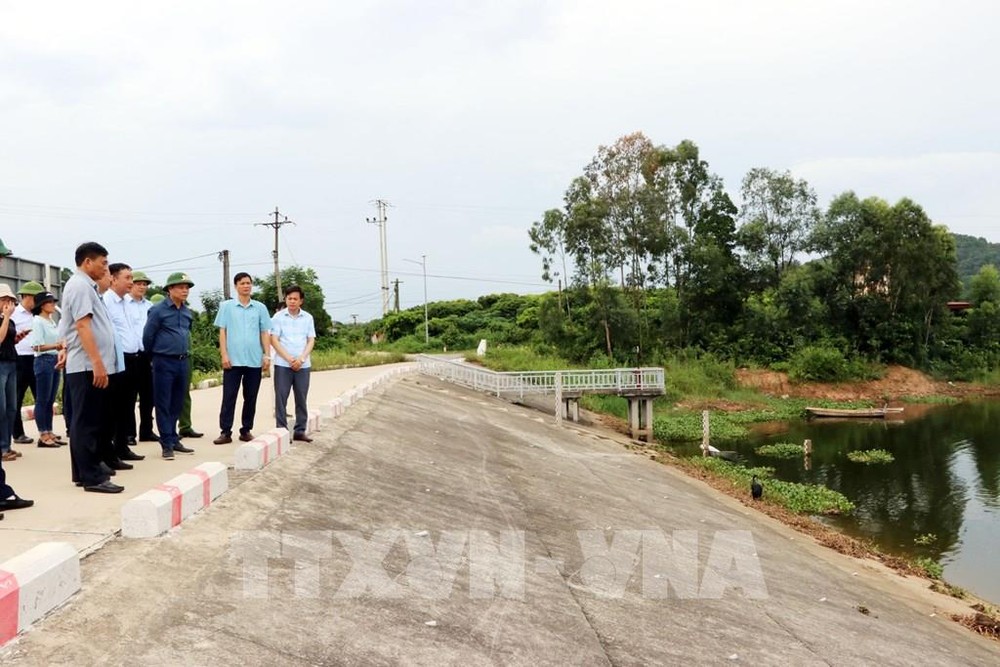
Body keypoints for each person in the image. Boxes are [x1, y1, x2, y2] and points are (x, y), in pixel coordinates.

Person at [61, 242, 124, 493]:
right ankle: (92, 477)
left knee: (87, 421)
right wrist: (97, 363)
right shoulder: (79, 286)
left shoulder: (87, 287)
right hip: (87, 365)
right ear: (88, 262)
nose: (105, 267)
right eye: (103, 263)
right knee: (86, 423)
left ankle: (84, 471)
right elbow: (83, 326)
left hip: (89, 364)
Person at [143, 273, 196, 460]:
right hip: (164, 361)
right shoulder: (158, 310)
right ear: (170, 289)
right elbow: (148, 336)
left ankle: (174, 438)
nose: (185, 290)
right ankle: (166, 443)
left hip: (183, 361)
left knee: (177, 401)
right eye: (180, 287)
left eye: (187, 287)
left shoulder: (187, 311)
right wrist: (152, 357)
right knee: (163, 402)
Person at [213, 272, 270, 444]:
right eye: (242, 283)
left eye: (248, 283)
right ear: (236, 286)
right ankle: (225, 431)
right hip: (233, 360)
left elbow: (264, 332)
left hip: (254, 360)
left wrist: (267, 355)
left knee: (251, 397)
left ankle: (246, 430)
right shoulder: (226, 307)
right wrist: (224, 354)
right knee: (229, 396)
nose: (246, 286)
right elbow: (222, 331)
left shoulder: (260, 308)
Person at [102, 262, 144, 463]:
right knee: (113, 408)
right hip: (117, 360)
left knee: (127, 406)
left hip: (134, 359)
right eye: (127, 278)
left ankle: (122, 447)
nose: (131, 282)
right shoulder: (106, 301)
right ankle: (110, 452)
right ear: (113, 278)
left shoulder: (128, 301)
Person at [0, 282, 34, 512]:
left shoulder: (9, 319)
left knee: (11, 408)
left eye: (10, 300)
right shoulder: (5, 318)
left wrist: (18, 336)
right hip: (0, 365)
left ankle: (6, 445)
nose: (8, 303)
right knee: (1, 408)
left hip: (12, 362)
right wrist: (5, 318)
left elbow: (8, 339)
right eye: (4, 299)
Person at [270, 285, 316, 442]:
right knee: (281, 398)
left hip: (303, 365)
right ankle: (281, 432)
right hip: (283, 364)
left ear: (301, 301)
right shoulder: (278, 318)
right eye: (289, 298)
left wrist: (301, 358)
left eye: (295, 299)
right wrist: (289, 359)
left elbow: (311, 340)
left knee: (301, 398)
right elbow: (274, 340)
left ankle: (300, 430)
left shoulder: (308, 318)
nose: (292, 301)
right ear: (286, 299)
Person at [29, 291, 65, 448]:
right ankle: (42, 433)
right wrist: (56, 345)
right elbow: (36, 346)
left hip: (54, 359)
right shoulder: (37, 321)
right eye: (50, 302)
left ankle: (49, 431)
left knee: (50, 399)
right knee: (42, 399)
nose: (53, 304)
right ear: (42, 305)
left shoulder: (51, 320)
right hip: (44, 360)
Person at [12, 280, 44, 446]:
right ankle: (18, 433)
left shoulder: (39, 315)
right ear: (26, 297)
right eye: (36, 298)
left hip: (38, 357)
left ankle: (45, 432)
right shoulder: (14, 314)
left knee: (42, 396)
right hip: (20, 358)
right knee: (17, 398)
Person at [127, 270, 158, 442]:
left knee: (148, 395)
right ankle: (129, 433)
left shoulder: (149, 307)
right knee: (130, 397)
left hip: (146, 355)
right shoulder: (125, 304)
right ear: (131, 284)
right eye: (139, 283)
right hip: (131, 355)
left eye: (145, 284)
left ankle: (146, 430)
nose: (142, 287)